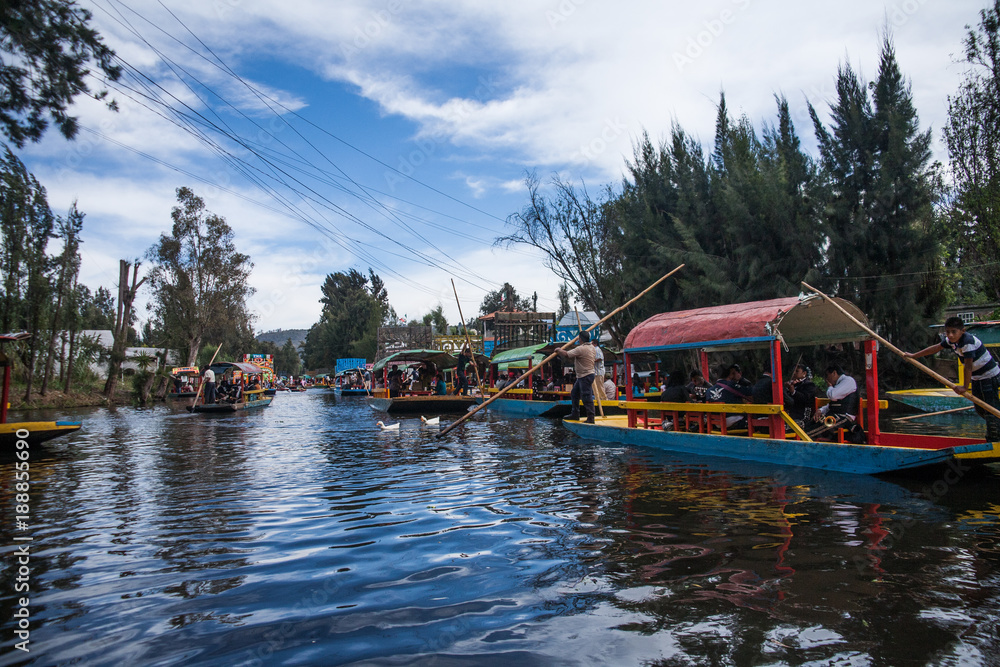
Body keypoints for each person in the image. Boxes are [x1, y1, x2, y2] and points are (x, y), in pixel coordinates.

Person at [907, 316, 1000, 441]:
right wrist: (914, 356)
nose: (950, 335)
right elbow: (936, 348)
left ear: (962, 330)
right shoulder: (952, 341)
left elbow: (968, 367)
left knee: (991, 409)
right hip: (978, 377)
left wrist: (964, 387)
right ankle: (996, 429)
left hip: (989, 376)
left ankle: (994, 439)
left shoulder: (967, 342)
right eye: (947, 332)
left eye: (953, 332)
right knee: (980, 409)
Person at [556, 329, 597, 422]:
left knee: (586, 396)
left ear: (581, 339)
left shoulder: (581, 349)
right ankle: (575, 414)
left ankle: (591, 418)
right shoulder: (592, 347)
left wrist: (558, 350)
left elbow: (566, 354)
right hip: (584, 375)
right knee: (574, 393)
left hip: (585, 375)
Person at [706, 364, 752, 428]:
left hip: (716, 423)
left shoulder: (709, 390)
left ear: (716, 375)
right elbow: (750, 392)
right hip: (733, 421)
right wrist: (740, 379)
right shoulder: (732, 385)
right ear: (730, 374)